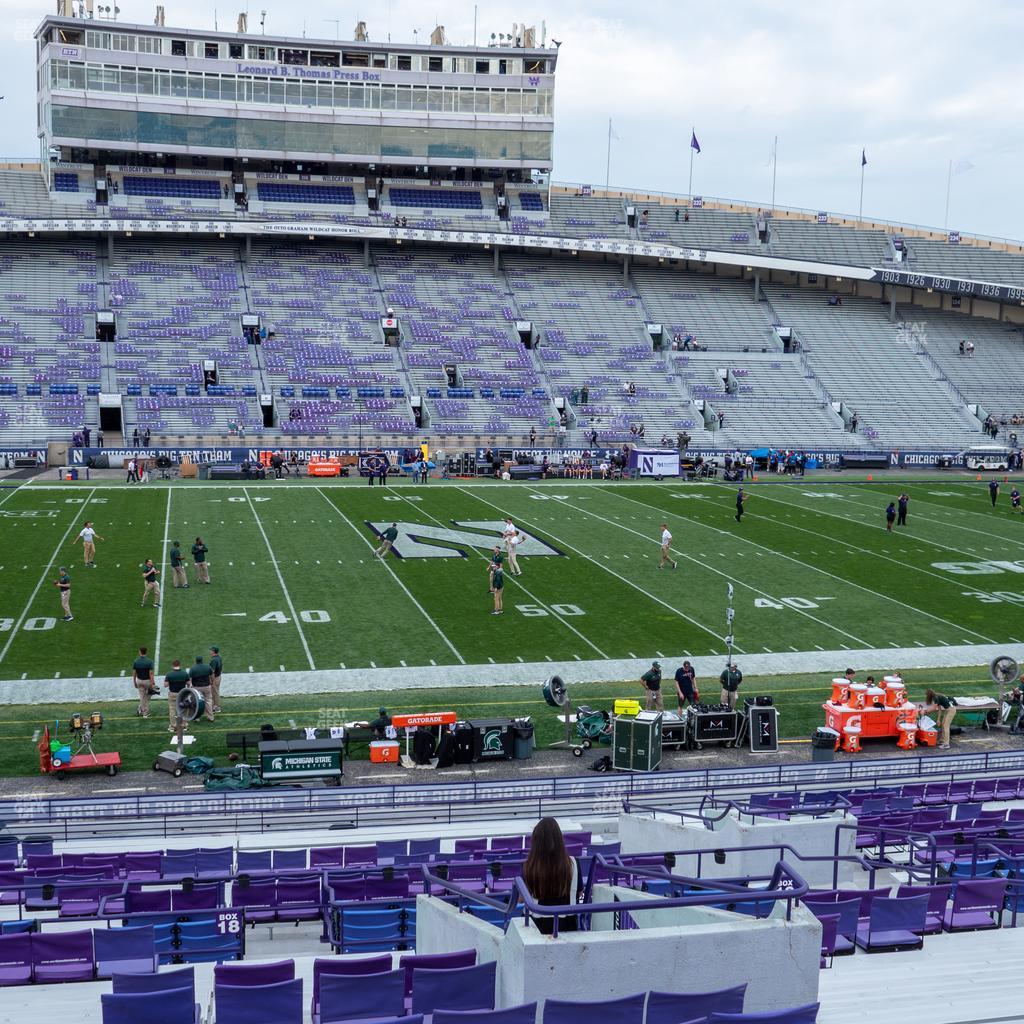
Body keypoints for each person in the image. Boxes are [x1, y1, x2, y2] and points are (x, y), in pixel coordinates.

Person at [521, 817, 580, 935]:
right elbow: (578, 893)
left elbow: (522, 898)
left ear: (536, 841)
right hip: (568, 925)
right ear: (560, 839)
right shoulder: (574, 863)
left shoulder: (527, 866)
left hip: (536, 926)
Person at [163, 658, 191, 733]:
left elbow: (165, 685)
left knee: (172, 710)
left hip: (173, 693)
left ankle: (173, 726)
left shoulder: (169, 674)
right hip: (182, 693)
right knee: (184, 709)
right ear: (179, 665)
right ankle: (184, 725)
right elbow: (189, 683)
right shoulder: (185, 673)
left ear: (173, 665)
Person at [189, 656, 216, 722]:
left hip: (197, 688)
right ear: (202, 660)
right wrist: (212, 682)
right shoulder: (207, 667)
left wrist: (190, 686)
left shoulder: (193, 668)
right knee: (208, 701)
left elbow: (190, 679)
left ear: (196, 661)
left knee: (196, 702)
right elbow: (212, 675)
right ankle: (210, 717)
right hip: (207, 686)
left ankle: (196, 717)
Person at [132, 645, 155, 718]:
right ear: (146, 652)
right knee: (149, 694)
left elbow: (134, 673)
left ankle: (142, 709)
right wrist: (153, 683)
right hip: (147, 681)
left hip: (139, 680)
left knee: (142, 696)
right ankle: (144, 711)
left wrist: (134, 681)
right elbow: (151, 673)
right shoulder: (149, 662)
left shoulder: (136, 661)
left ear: (140, 652)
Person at [209, 645, 223, 713]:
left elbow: (212, 672)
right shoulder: (219, 657)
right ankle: (215, 706)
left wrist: (212, 680)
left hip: (215, 678)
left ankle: (216, 707)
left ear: (213, 651)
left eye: (211, 650)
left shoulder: (214, 660)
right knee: (216, 692)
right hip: (218, 676)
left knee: (214, 692)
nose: (210, 651)